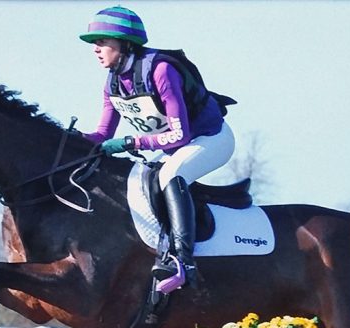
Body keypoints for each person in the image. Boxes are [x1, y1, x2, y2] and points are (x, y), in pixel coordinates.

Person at [79, 5, 236, 291]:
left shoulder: (161, 70)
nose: (96, 49)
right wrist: (68, 141)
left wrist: (131, 142)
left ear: (125, 43)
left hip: (211, 139)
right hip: (172, 146)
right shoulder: (113, 82)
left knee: (170, 176)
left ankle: (183, 262)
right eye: (94, 43)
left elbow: (179, 134)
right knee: (135, 182)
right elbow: (102, 134)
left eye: (102, 42)